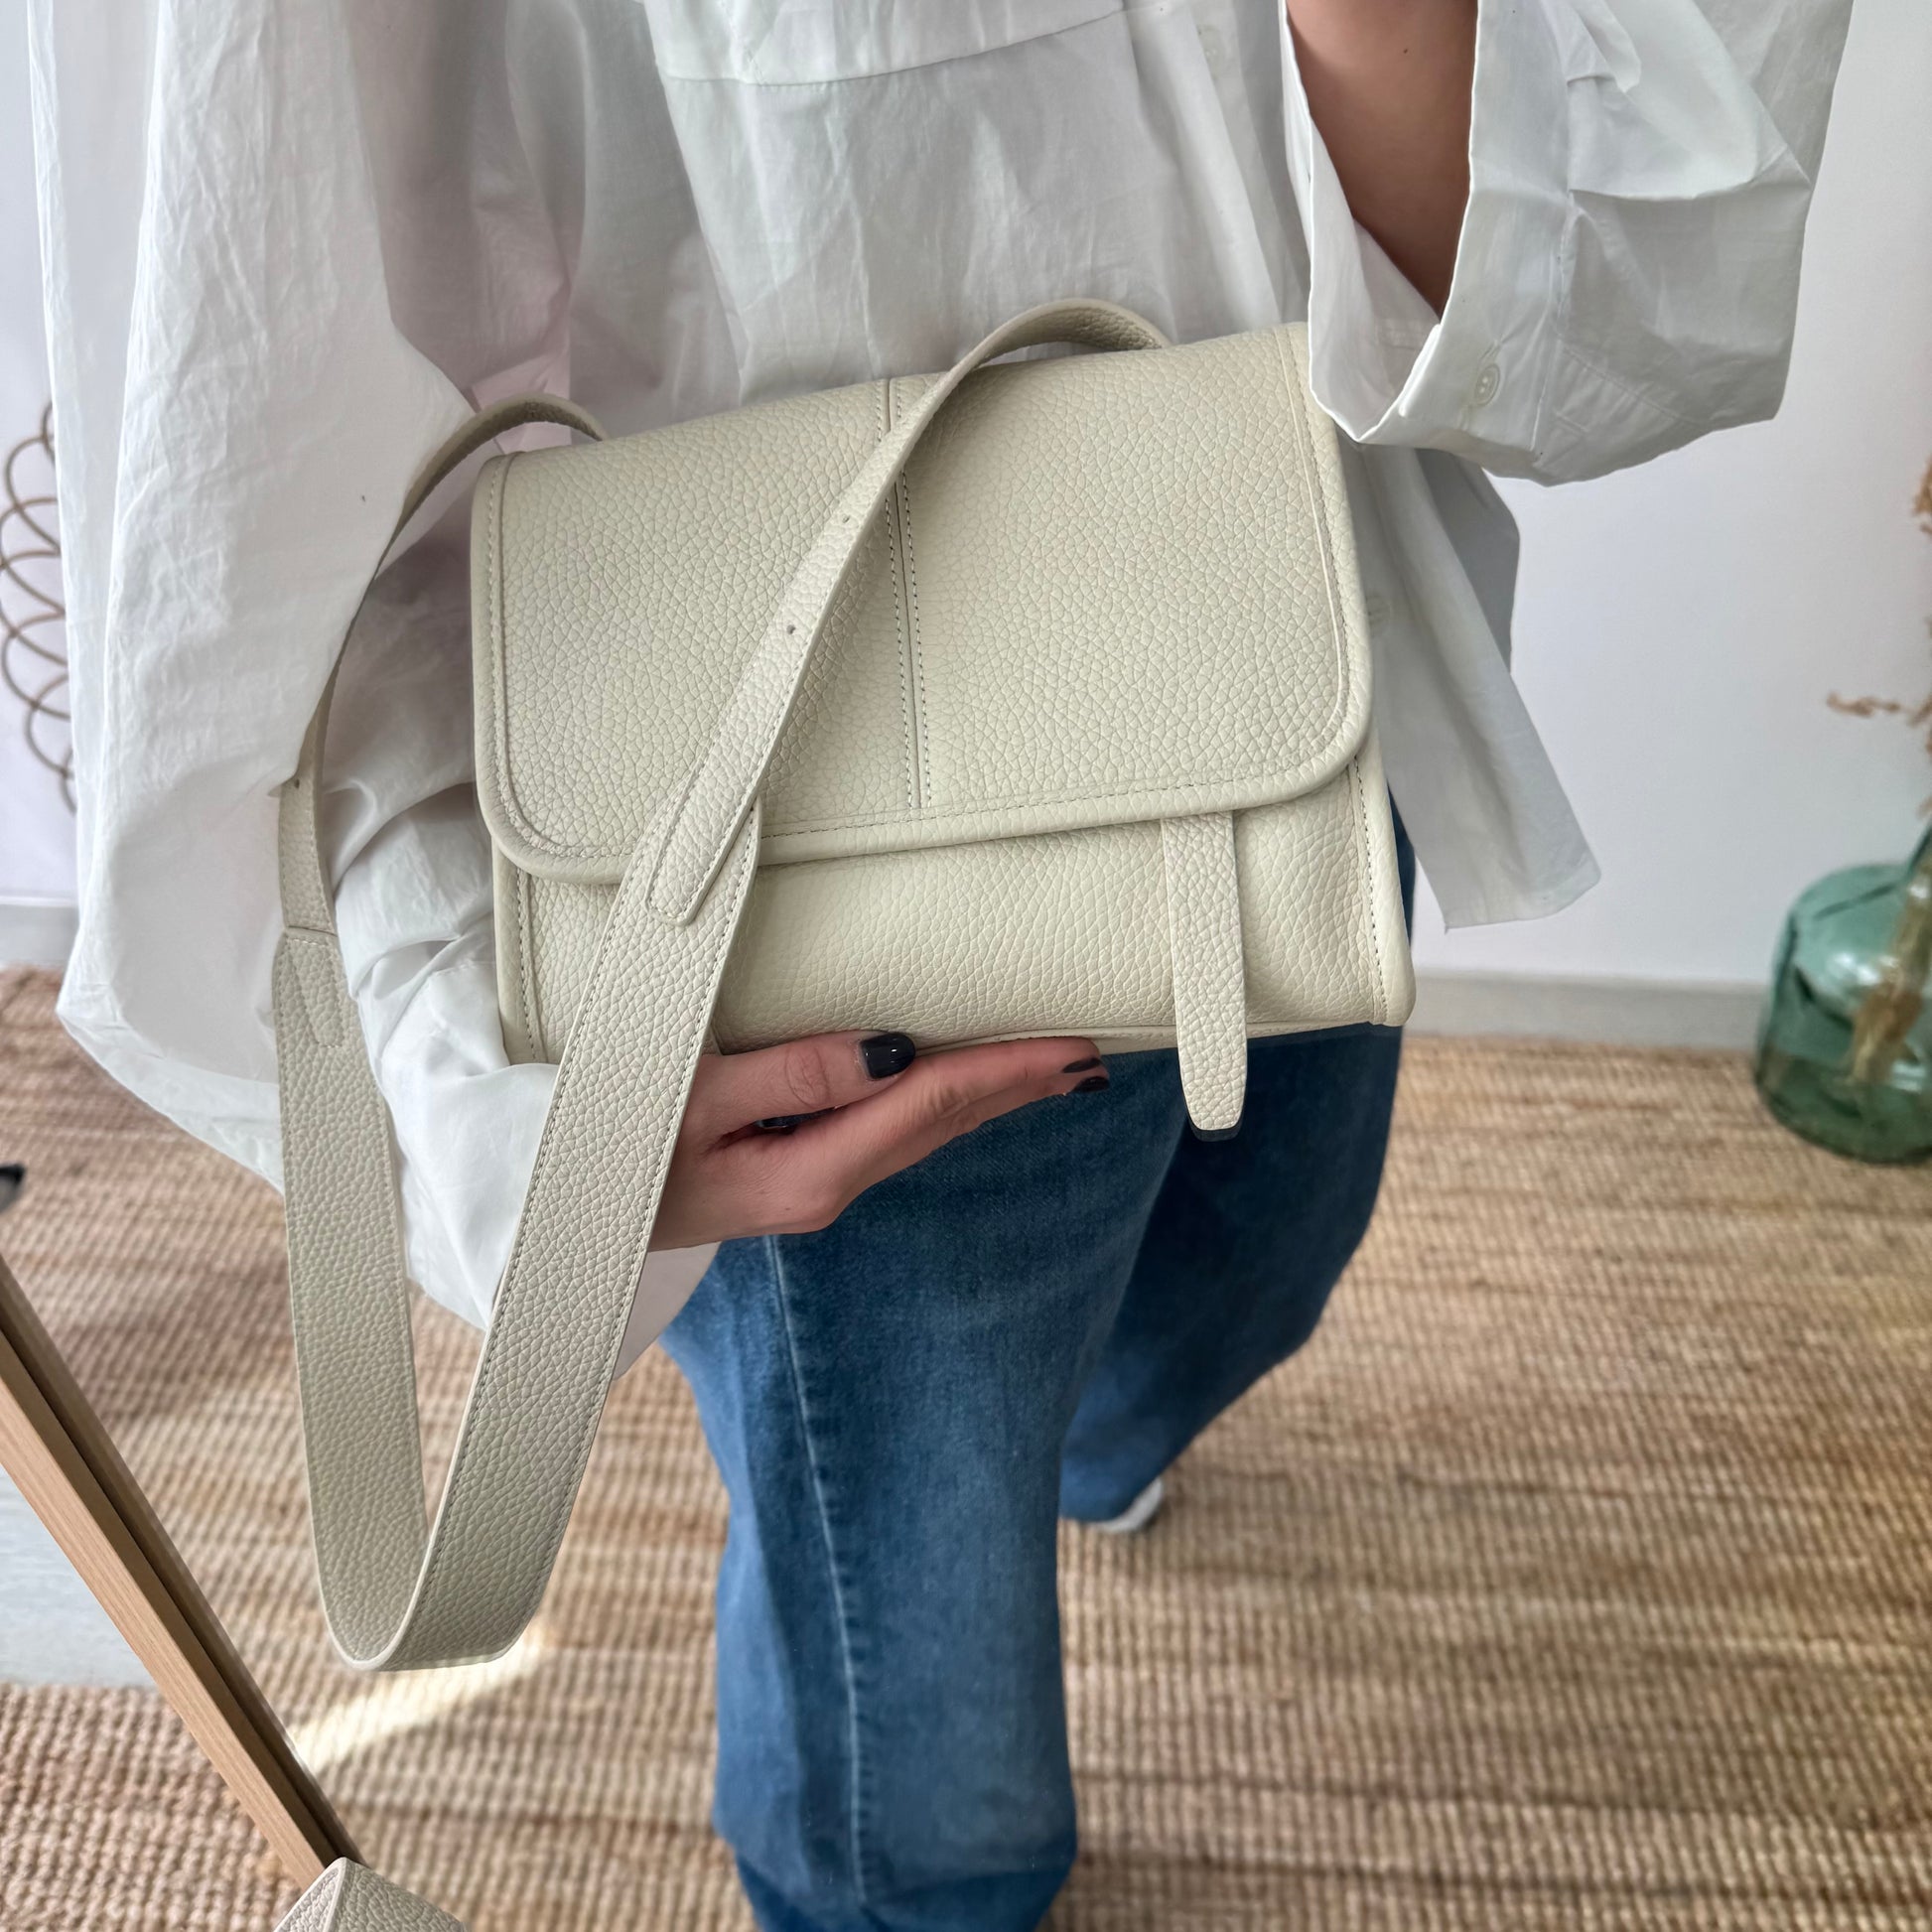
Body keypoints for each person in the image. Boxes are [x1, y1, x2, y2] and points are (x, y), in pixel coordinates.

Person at [33, 0, 1849, 1925]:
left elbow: (1621, 235)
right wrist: (445, 997)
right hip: (784, 888)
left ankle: (1088, 1444)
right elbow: (256, 343)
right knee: (919, 1706)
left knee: (1256, 1260)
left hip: (1286, 650)